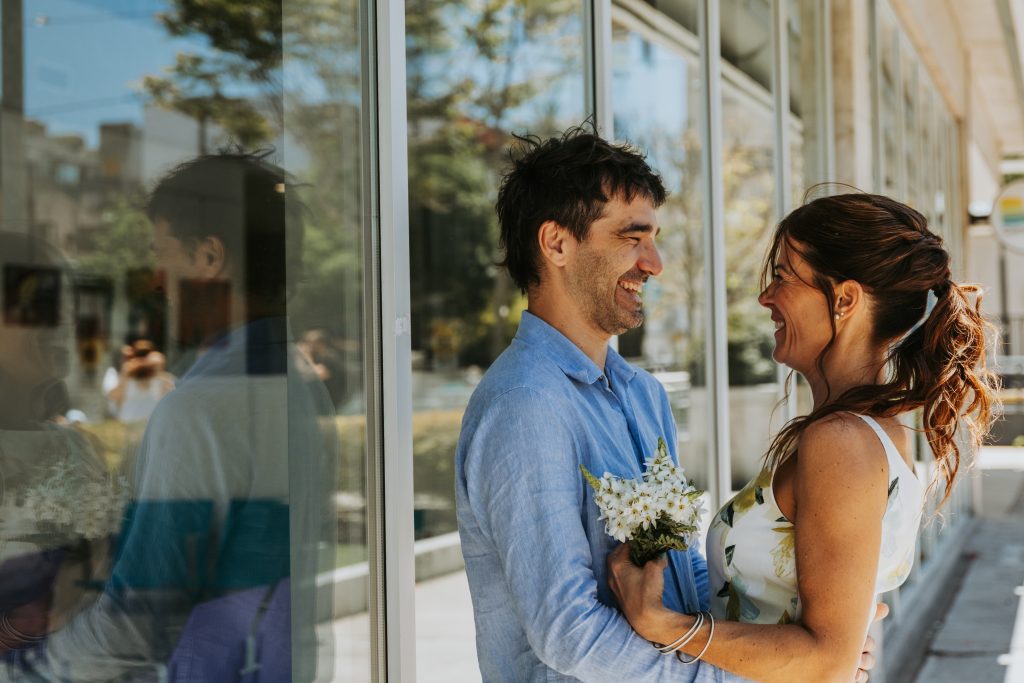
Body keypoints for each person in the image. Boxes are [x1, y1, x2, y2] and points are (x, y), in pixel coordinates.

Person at [454, 128, 879, 682]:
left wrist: (796, 652)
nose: (654, 263)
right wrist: (738, 679)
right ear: (556, 244)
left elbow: (681, 571)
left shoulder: (644, 395)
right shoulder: (524, 406)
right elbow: (570, 634)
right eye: (632, 238)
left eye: (653, 239)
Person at [608, 192, 999, 682]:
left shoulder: (842, 441)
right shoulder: (866, 430)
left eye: (784, 277)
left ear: (845, 300)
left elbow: (827, 662)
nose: (766, 297)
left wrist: (662, 625)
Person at [1, 154, 337, 681]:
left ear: (209, 257)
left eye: (162, 255)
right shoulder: (298, 384)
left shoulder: (205, 407)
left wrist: (21, 670)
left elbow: (137, 623)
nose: (156, 282)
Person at [104, 340, 175, 423]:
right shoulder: (125, 378)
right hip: (128, 427)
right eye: (139, 357)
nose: (143, 362)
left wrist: (159, 370)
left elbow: (171, 400)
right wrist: (125, 372)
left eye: (145, 357)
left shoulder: (162, 379)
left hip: (151, 427)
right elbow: (113, 398)